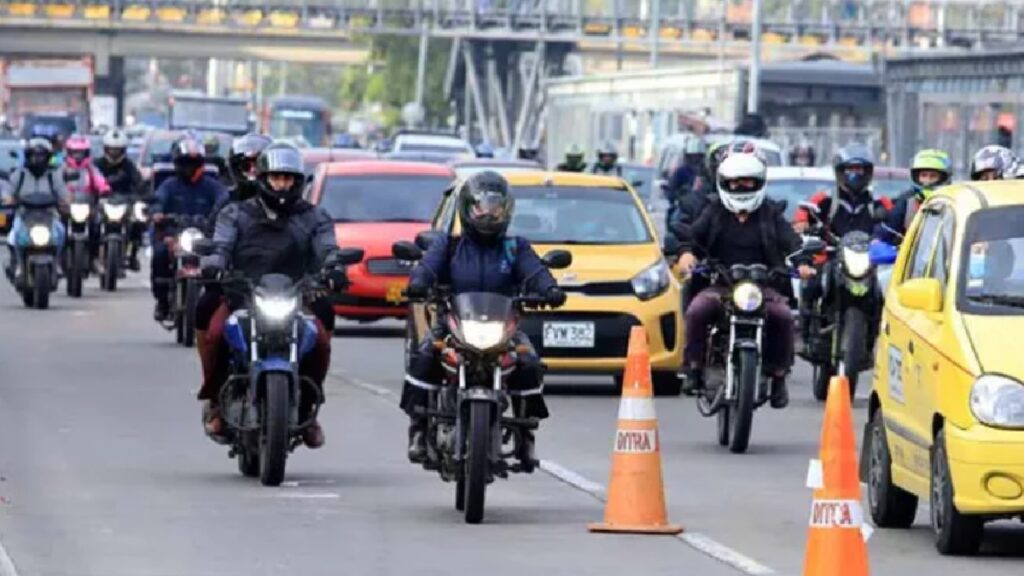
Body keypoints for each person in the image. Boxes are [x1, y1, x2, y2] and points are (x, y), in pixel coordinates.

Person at [402, 171, 566, 466]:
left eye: (495, 207)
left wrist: (549, 289)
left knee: (528, 361)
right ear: (468, 208)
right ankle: (418, 428)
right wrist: (418, 282)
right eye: (482, 206)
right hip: (453, 324)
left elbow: (535, 272)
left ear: (507, 209)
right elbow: (428, 266)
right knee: (425, 353)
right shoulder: (449, 245)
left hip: (504, 327)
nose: (489, 214)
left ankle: (525, 436)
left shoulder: (515, 247)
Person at [197, 142, 348, 448]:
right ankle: (216, 401)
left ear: (297, 181)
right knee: (214, 333)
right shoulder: (235, 213)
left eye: (288, 178)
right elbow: (221, 245)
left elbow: (328, 249)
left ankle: (308, 407)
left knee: (318, 339)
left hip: (296, 296)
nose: (282, 184)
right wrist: (214, 264)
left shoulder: (314, 217)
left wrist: (333, 269)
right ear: (263, 178)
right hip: (243, 295)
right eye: (276, 178)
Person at [674, 153, 815, 408]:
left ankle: (779, 376)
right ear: (724, 183)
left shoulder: (770, 213)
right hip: (720, 285)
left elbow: (792, 243)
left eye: (748, 182)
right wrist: (686, 254)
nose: (741, 188)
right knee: (697, 311)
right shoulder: (714, 210)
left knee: (782, 317)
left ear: (759, 183)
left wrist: (803, 264)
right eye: (735, 182)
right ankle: (693, 368)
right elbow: (692, 238)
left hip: (763, 287)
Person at [194, 133, 273, 350]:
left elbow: (310, 237)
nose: (252, 172)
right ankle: (210, 381)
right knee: (206, 310)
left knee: (321, 318)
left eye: (258, 165)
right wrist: (212, 267)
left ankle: (313, 381)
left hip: (284, 288)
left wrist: (323, 271)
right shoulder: (226, 204)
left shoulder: (291, 204)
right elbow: (212, 240)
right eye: (246, 165)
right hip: (236, 287)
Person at [150, 136, 227, 321]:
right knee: (160, 255)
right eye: (185, 163)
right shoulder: (169, 185)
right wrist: (158, 213)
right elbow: (158, 201)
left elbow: (224, 201)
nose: (189, 167)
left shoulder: (212, 186)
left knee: (221, 264)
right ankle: (162, 301)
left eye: (193, 163)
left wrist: (220, 216)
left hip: (204, 238)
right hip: (174, 236)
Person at [2, 138, 68, 279]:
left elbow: (64, 192)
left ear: (48, 157)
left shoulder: (53, 175)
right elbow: (8, 190)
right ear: (28, 156)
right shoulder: (19, 174)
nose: (37, 159)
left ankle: (57, 264)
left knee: (61, 233)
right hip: (24, 214)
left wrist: (66, 202)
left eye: (41, 156)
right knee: (13, 237)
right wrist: (8, 199)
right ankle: (18, 265)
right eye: (34, 155)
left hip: (49, 214)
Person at [95, 128, 146, 269]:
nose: (114, 153)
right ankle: (91, 255)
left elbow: (139, 182)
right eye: (111, 149)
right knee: (91, 222)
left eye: (117, 150)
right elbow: (89, 182)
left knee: (139, 221)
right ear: (106, 149)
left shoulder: (129, 166)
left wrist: (140, 195)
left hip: (125, 201)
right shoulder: (97, 165)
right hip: (102, 202)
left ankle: (133, 255)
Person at [63, 134, 111, 272]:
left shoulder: (90, 169)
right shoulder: (62, 168)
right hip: (66, 208)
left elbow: (100, 180)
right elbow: (56, 183)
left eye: (81, 153)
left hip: (87, 207)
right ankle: (58, 260)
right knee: (58, 229)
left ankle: (94, 258)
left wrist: (104, 189)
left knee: (96, 228)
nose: (78, 156)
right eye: (75, 152)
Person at [883, 149, 951, 244]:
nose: (927, 180)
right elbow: (889, 232)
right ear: (916, 177)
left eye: (933, 176)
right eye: (924, 175)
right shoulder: (906, 201)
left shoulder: (952, 201)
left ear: (943, 178)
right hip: (912, 255)